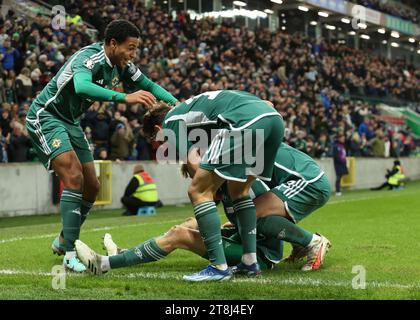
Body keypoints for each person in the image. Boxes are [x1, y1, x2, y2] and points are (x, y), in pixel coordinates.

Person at [25, 19, 178, 273]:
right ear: (113, 43)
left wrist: (179, 106)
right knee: (73, 176)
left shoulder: (123, 66)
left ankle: (63, 238)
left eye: (136, 48)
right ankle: (70, 253)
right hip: (46, 116)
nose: (133, 54)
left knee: (93, 186)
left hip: (70, 121)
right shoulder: (89, 58)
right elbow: (81, 85)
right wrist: (123, 97)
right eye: (130, 48)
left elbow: (149, 86)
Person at [75, 142, 331, 276]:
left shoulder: (239, 180)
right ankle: (125, 254)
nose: (196, 180)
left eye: (196, 173)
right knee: (186, 226)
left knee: (180, 235)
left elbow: (255, 217)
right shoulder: (221, 186)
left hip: (261, 255)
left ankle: (105, 264)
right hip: (249, 242)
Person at [140, 90, 284, 281]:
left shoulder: (171, 121)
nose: (158, 146)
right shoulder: (195, 109)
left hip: (245, 123)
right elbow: (267, 103)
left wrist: (208, 188)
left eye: (155, 140)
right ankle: (249, 262)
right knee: (239, 191)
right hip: (274, 120)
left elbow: (194, 163)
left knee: (197, 191)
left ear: (159, 130)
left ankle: (218, 267)